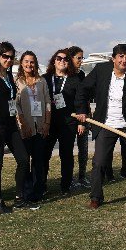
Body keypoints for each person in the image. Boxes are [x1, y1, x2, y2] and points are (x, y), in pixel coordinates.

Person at [75, 44, 126, 209]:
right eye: (121, 56)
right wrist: (81, 110)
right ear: (114, 58)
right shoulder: (101, 71)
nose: (124, 60)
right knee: (99, 162)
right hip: (105, 124)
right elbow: (83, 89)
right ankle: (96, 198)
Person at [0, 42, 36, 214]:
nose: (8, 60)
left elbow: (12, 102)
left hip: (11, 125)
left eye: (11, 57)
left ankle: (20, 198)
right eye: (5, 56)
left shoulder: (8, 76)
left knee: (23, 159)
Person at [43, 49, 82, 195]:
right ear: (54, 61)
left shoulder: (74, 79)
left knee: (66, 155)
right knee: (45, 153)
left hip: (69, 123)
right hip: (49, 122)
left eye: (65, 59)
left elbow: (80, 101)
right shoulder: (45, 78)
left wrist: (81, 122)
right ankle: (42, 184)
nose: (62, 61)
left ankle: (65, 186)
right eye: (59, 58)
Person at [15, 51, 50, 202]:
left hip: (40, 125)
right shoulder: (17, 81)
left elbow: (48, 103)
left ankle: (38, 191)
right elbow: (16, 105)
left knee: (38, 160)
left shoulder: (41, 81)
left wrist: (47, 123)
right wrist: (23, 124)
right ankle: (25, 191)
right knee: (25, 161)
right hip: (25, 127)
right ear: (21, 63)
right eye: (26, 61)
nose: (29, 64)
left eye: (32, 62)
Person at [67, 46, 91, 188]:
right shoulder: (67, 76)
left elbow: (85, 95)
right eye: (78, 58)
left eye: (82, 58)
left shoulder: (81, 75)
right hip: (72, 117)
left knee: (84, 149)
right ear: (71, 58)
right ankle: (70, 178)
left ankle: (82, 176)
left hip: (84, 117)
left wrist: (87, 112)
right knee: (69, 150)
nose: (81, 61)